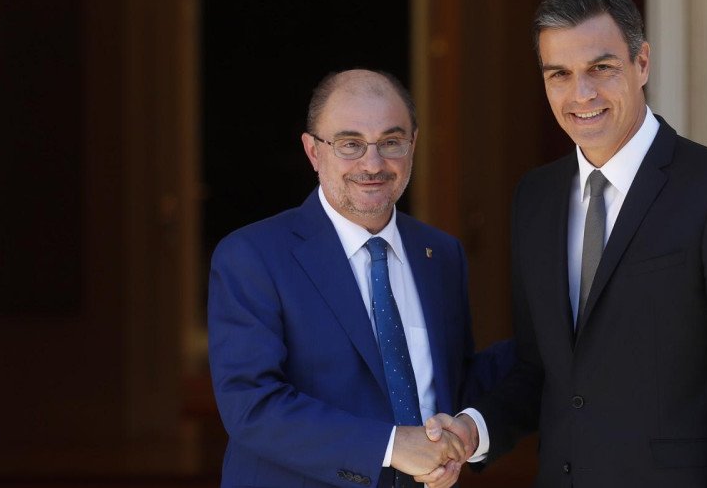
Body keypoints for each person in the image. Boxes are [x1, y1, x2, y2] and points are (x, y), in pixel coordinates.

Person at [422, 0, 707, 487]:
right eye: (560, 74)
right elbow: (541, 370)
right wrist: (473, 431)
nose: (582, 94)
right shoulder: (536, 198)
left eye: (601, 68)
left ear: (642, 63)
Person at [208, 69, 510, 488]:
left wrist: (466, 428)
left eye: (391, 142)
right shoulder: (253, 255)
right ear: (313, 151)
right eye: (350, 144)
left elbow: (454, 380)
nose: (373, 164)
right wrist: (389, 445)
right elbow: (252, 405)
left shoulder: (441, 254)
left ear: (413, 145)